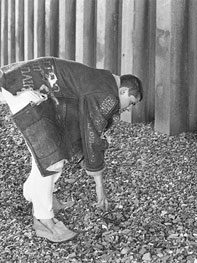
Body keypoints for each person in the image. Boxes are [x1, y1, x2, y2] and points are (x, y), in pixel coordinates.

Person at [0, 56, 143, 242]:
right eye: (131, 102)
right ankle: (44, 221)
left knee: (54, 149)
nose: (128, 109)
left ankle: (35, 194)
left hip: (24, 81)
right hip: (24, 88)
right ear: (122, 91)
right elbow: (92, 134)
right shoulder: (108, 95)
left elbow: (86, 125)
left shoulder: (103, 81)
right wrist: (99, 185)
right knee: (52, 157)